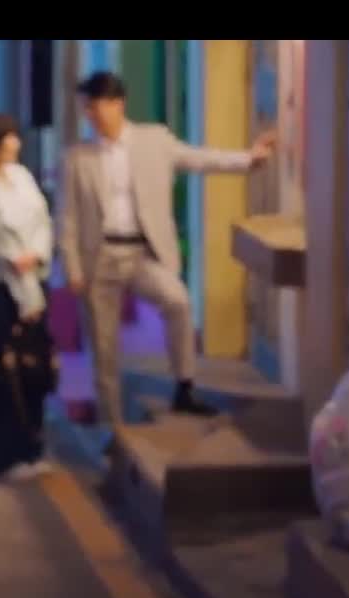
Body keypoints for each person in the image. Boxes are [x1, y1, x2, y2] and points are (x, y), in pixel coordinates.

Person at [56, 71, 276, 429]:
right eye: (86, 109)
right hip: (100, 258)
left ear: (118, 104)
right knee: (103, 345)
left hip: (145, 253)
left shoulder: (154, 140)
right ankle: (112, 425)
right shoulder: (77, 158)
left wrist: (248, 159)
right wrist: (73, 268)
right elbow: (66, 218)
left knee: (178, 302)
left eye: (96, 107)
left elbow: (198, 158)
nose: (91, 115)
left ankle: (184, 387)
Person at [0, 112, 57, 481]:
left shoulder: (22, 176)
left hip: (37, 280)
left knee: (34, 368)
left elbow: (44, 221)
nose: (16, 142)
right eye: (9, 137)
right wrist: (27, 294)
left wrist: (38, 255)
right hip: (3, 289)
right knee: (2, 373)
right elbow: (2, 248)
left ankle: (32, 449)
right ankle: (2, 458)